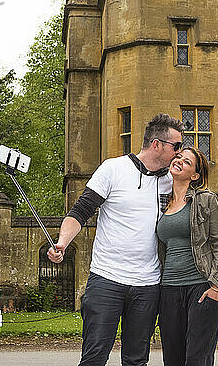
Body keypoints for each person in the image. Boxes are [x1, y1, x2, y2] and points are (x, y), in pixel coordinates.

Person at [47, 114, 184, 366]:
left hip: (148, 284)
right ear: (157, 144)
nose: (179, 152)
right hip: (106, 279)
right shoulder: (113, 169)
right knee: (94, 357)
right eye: (176, 146)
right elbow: (81, 211)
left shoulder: (171, 181)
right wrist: (62, 243)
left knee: (136, 360)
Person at [157, 146, 218, 366]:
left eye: (187, 161)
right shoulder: (160, 203)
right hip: (169, 290)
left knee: (197, 359)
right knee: (173, 358)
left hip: (201, 287)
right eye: (178, 157)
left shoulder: (205, 200)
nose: (179, 161)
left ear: (195, 175)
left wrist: (216, 287)